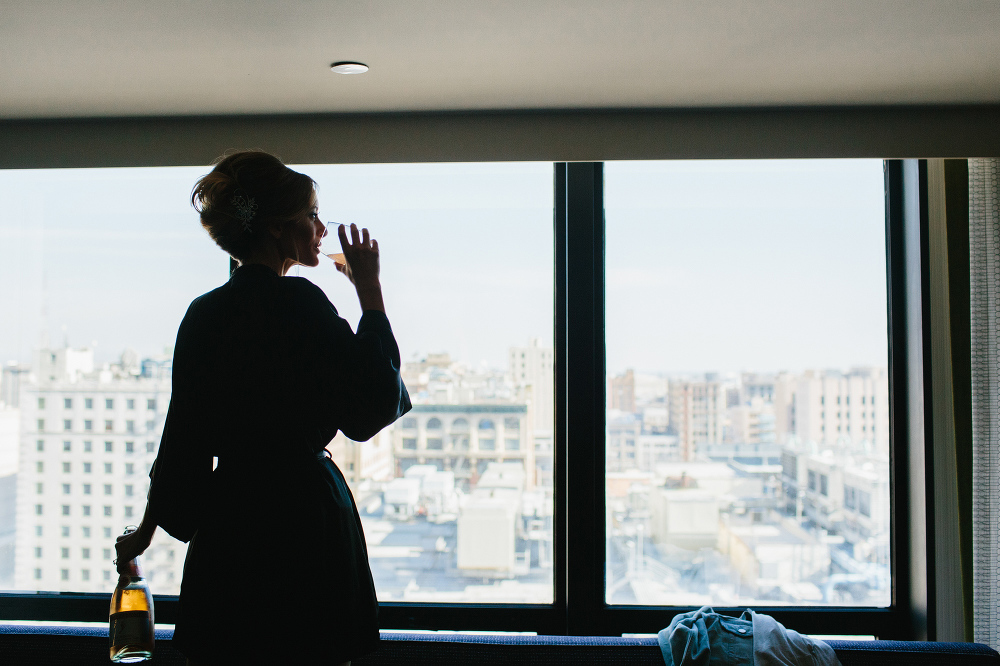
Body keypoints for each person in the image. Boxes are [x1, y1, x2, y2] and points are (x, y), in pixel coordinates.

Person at [115, 151, 411, 665]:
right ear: (276, 228)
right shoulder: (302, 304)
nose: (322, 229)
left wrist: (146, 529)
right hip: (303, 522)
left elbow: (182, 438)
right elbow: (368, 409)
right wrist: (369, 288)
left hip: (231, 523)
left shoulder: (204, 314)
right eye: (312, 215)